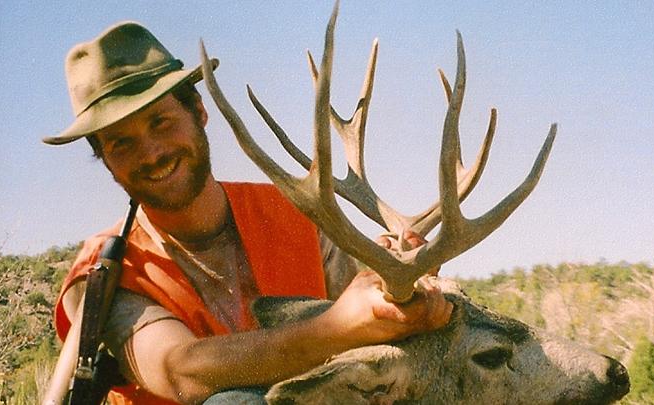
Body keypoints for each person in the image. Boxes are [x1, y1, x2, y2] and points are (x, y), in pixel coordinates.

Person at [43, 22, 453, 405]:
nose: (151, 154)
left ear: (199, 113)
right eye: (121, 144)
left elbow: (373, 303)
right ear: (105, 160)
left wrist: (399, 283)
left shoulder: (294, 213)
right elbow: (180, 371)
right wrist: (338, 328)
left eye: (161, 122)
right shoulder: (104, 276)